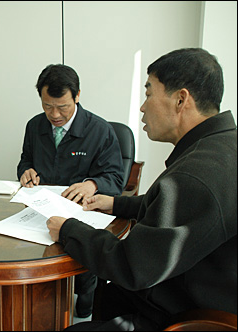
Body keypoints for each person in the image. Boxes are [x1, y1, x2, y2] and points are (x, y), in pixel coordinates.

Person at [47, 48, 237, 331]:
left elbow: (131, 266)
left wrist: (68, 230)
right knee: (108, 296)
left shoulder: (194, 176)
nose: (142, 107)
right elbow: (178, 212)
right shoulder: (222, 147)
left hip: (183, 315)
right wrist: (116, 204)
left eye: (149, 93)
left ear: (181, 100)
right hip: (201, 287)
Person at [17, 64, 125, 318]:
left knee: (83, 277)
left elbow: (115, 178)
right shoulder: (35, 126)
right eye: (47, 106)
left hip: (82, 213)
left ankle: (85, 291)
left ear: (77, 96)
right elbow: (25, 159)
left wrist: (93, 184)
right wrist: (26, 171)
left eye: (62, 106)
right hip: (40, 210)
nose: (54, 115)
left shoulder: (99, 130)